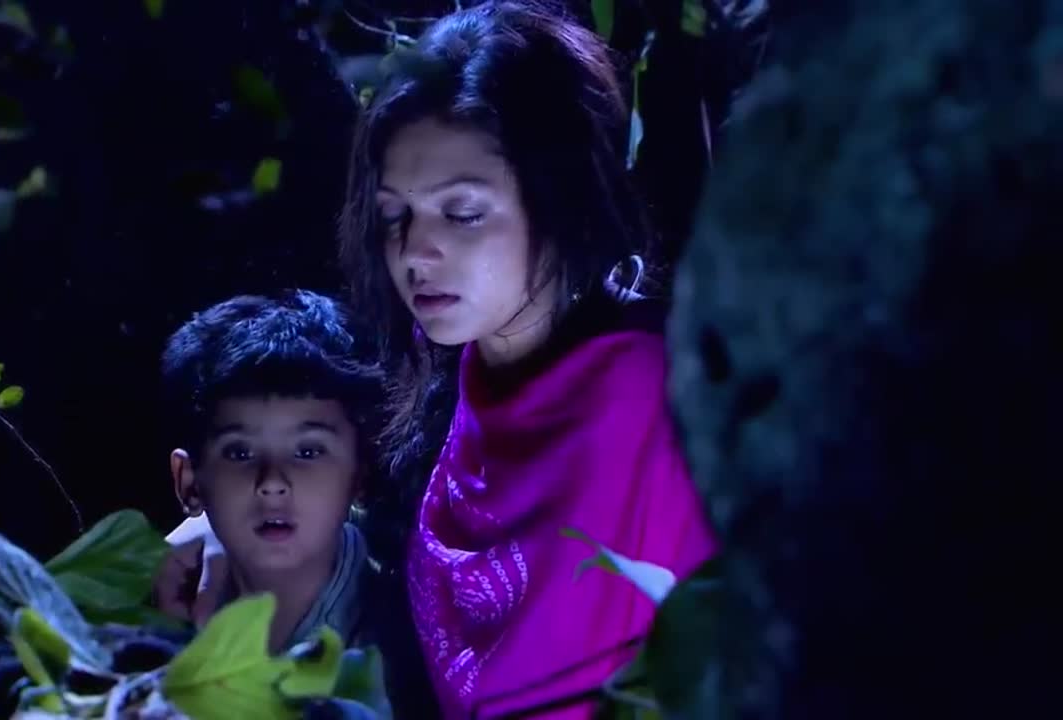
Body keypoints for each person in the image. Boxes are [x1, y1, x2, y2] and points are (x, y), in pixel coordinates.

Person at [162, 2, 717, 717]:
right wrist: (231, 527)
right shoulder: (448, 393)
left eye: (462, 213)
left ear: (560, 200)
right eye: (396, 216)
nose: (415, 253)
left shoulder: (659, 407)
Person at [154, 290, 383, 654]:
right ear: (189, 481)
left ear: (362, 473)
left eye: (307, 452)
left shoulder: (411, 618)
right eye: (239, 453)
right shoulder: (148, 621)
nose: (272, 482)